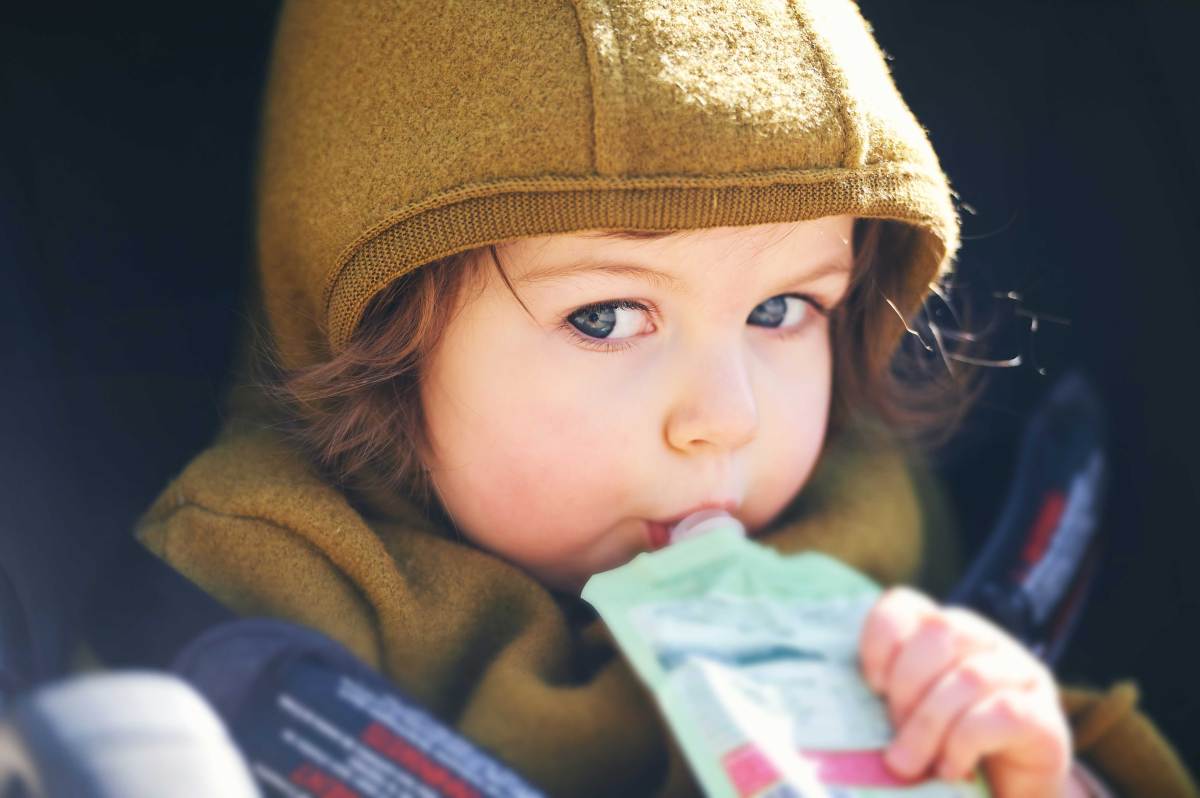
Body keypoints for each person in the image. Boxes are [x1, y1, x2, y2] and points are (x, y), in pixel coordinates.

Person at [133, 1, 1197, 796]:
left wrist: (1036, 772)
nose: (724, 417)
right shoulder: (266, 586)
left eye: (783, 310)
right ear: (377, 340)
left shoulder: (862, 540)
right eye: (606, 318)